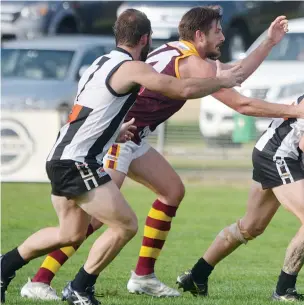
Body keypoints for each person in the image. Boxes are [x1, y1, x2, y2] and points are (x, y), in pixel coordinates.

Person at [20, 6, 304, 301]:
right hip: (117, 138)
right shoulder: (193, 64)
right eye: (218, 32)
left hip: (133, 137)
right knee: (97, 219)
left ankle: (143, 276)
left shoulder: (181, 51)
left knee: (172, 191)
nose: (223, 38)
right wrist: (295, 111)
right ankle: (40, 280)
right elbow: (241, 102)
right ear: (200, 35)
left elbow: (233, 73)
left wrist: (268, 41)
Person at [0, 9, 245, 305]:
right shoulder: (132, 68)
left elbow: (91, 108)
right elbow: (181, 87)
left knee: (69, 232)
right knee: (125, 224)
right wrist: (222, 81)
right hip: (80, 162)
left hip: (60, 155)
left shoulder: (100, 62)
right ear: (145, 39)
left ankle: (5, 266)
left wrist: (114, 132)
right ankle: (80, 288)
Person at [176, 41, 304, 302]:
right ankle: (283, 290)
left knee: (250, 227)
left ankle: (196, 276)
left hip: (279, 152)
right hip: (279, 154)